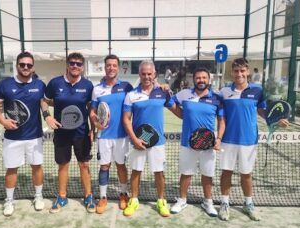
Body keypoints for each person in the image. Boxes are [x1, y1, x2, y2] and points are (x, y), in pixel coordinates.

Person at [218, 58, 289, 221]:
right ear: (232, 72)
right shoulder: (224, 92)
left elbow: (264, 112)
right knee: (226, 172)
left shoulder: (258, 91)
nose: (239, 74)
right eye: (236, 71)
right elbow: (220, 116)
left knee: (246, 174)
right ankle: (224, 203)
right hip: (228, 140)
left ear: (247, 72)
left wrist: (276, 120)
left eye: (242, 71)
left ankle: (248, 203)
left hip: (249, 140)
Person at [0, 51, 47, 216]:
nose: (26, 67)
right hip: (12, 138)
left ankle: (38, 196)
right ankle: (9, 201)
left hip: (34, 137)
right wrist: (3, 121)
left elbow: (43, 102)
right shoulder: (5, 85)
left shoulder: (39, 85)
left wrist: (47, 116)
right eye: (22, 64)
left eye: (29, 65)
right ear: (17, 66)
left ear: (33, 67)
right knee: (11, 170)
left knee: (37, 167)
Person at [122, 60, 179, 217]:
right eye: (143, 73)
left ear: (154, 74)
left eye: (149, 74)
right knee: (136, 171)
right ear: (139, 74)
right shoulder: (131, 95)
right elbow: (126, 119)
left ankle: (161, 201)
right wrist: (134, 139)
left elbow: (178, 111)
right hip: (138, 141)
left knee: (159, 172)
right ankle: (134, 200)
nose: (146, 76)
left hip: (158, 142)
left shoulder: (163, 93)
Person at [43, 52, 96, 213]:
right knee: (63, 166)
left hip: (82, 133)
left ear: (82, 67)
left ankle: (88, 197)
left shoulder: (88, 86)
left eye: (79, 64)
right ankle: (62, 197)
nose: (75, 66)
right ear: (67, 65)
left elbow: (91, 108)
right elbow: (44, 100)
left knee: (84, 165)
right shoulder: (55, 83)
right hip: (61, 133)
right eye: (72, 63)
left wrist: (93, 129)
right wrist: (47, 117)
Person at [170, 67, 225, 216]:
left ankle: (208, 202)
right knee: (186, 173)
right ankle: (182, 200)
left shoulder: (216, 98)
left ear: (209, 79)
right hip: (188, 143)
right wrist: (182, 114)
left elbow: (221, 120)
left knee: (207, 174)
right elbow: (170, 102)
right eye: (198, 78)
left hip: (208, 145)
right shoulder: (185, 94)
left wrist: (219, 139)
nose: (201, 80)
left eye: (204, 78)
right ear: (194, 79)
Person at [89, 54, 133, 214]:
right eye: (108, 65)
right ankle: (102, 197)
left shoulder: (127, 87)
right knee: (104, 166)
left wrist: (160, 85)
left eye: (114, 65)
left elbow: (143, 93)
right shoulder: (97, 89)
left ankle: (123, 194)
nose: (111, 68)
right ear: (104, 67)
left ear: (118, 68)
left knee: (121, 165)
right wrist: (94, 123)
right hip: (104, 136)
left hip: (122, 135)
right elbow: (92, 111)